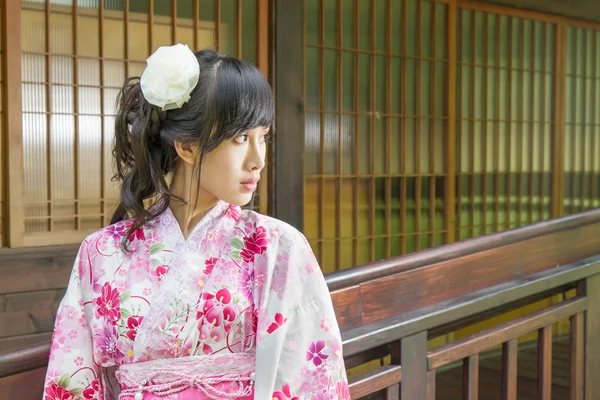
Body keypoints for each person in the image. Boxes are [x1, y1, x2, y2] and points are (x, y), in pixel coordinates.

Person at [42, 45, 349, 400]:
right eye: (240, 139)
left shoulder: (277, 246)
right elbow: (74, 379)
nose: (257, 160)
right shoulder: (101, 252)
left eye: (263, 137)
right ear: (187, 147)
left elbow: (311, 376)